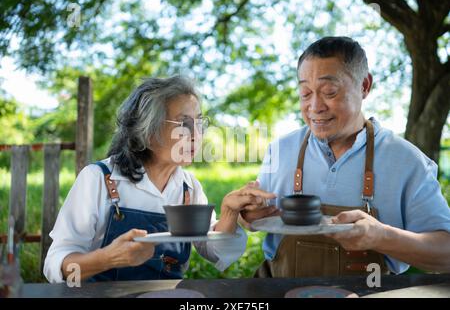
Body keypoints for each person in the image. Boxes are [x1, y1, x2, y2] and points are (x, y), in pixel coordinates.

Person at [239, 36, 450, 277]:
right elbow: (255, 218)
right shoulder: (280, 149)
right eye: (305, 93)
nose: (315, 106)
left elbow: (446, 254)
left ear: (364, 86)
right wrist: (250, 214)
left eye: (329, 91)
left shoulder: (408, 162)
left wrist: (382, 237)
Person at [44, 75, 274, 283]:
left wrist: (230, 212)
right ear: (148, 130)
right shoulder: (99, 179)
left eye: (199, 123)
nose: (196, 135)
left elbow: (215, 251)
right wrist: (108, 258)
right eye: (184, 124)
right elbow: (56, 265)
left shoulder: (188, 187)